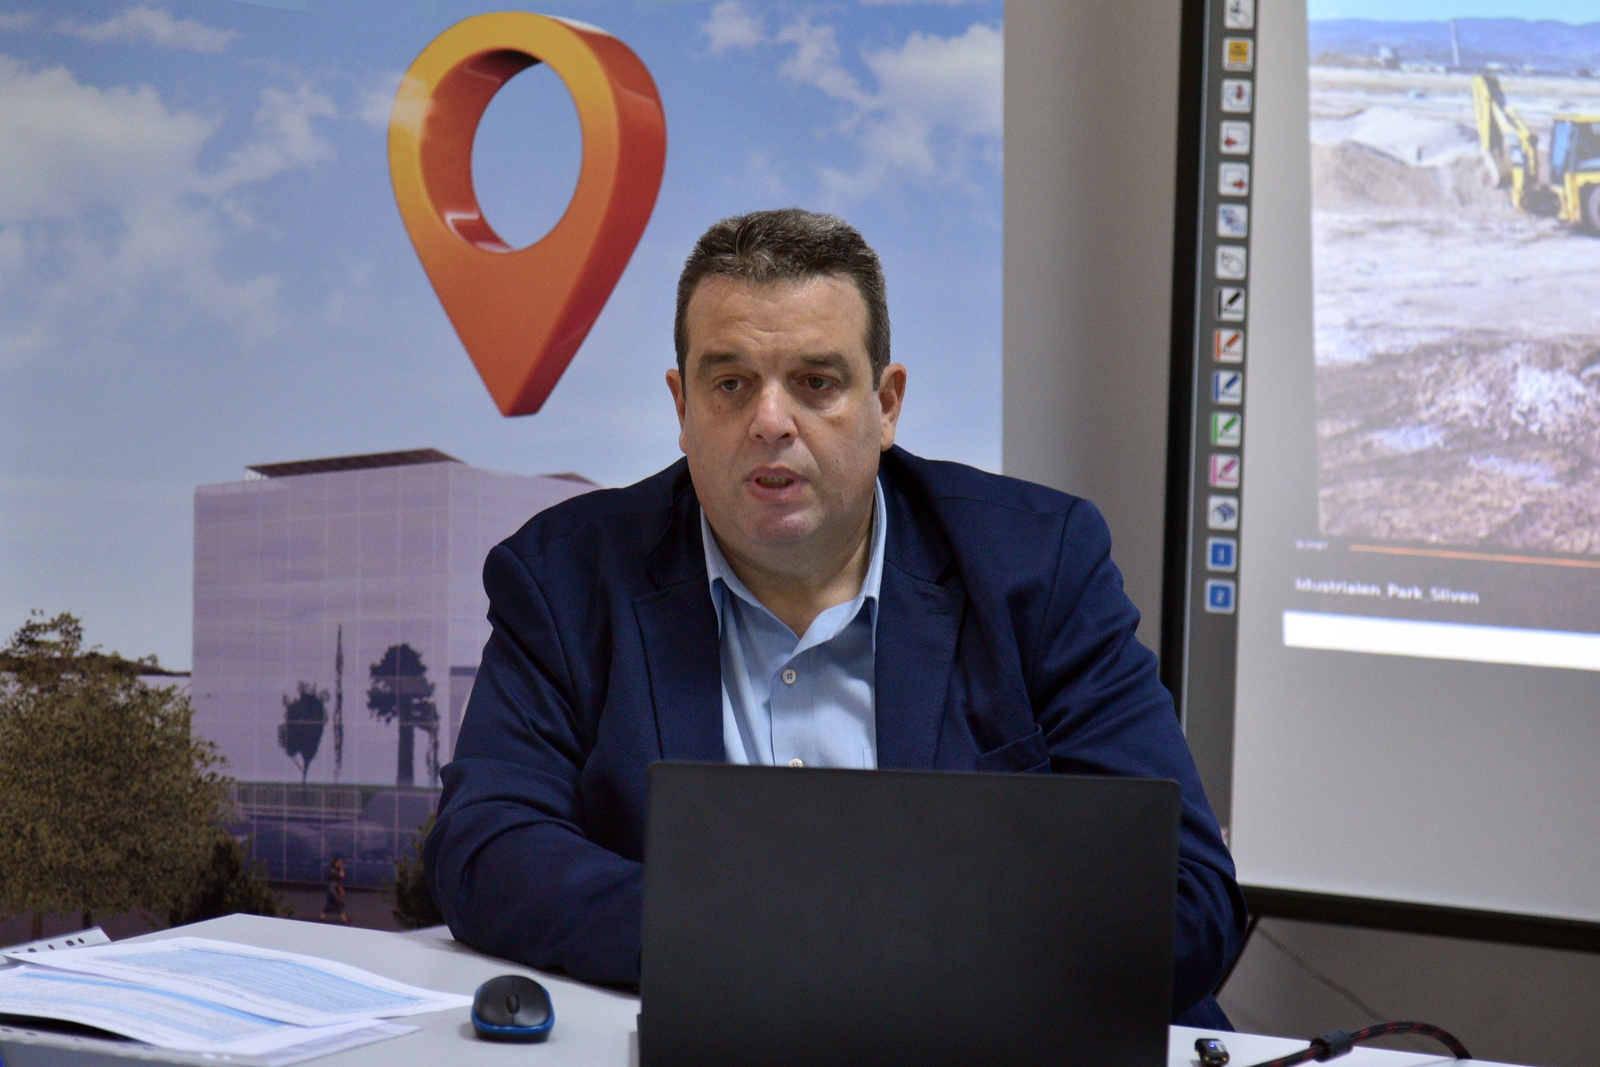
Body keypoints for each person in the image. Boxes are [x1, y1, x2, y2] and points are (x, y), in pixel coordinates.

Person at [424, 209, 1246, 1026]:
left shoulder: (1037, 565)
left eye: (816, 382)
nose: (770, 421)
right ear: (682, 407)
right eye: (730, 383)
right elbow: (486, 846)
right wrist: (766, 946)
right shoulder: (565, 578)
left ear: (886, 405)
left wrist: (871, 963)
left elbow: (1186, 893)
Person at [320, 855, 349, 924]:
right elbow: (340, 876)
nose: (340, 863)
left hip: (335, 888)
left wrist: (341, 868)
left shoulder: (337, 869)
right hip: (332, 888)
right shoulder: (332, 870)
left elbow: (342, 875)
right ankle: (344, 919)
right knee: (339, 903)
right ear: (335, 862)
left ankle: (323, 915)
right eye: (339, 862)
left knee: (332, 903)